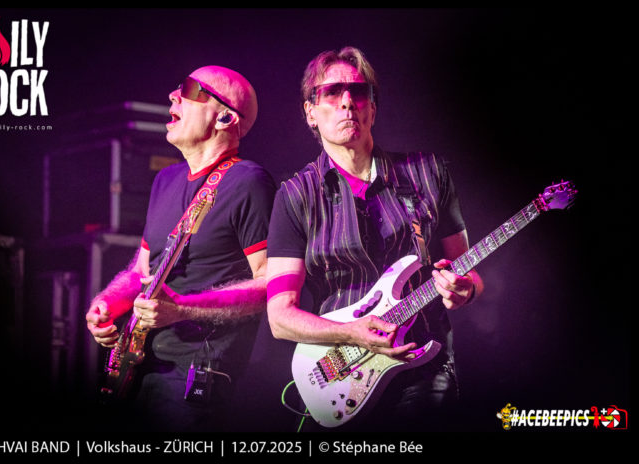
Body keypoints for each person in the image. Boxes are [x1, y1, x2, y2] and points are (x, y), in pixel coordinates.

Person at [266, 47, 484, 431]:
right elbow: (280, 317)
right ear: (310, 112)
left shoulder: (428, 172)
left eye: (358, 91)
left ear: (373, 108)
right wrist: (350, 332)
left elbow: (469, 273)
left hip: (422, 365)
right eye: (332, 92)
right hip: (340, 372)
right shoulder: (296, 195)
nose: (347, 102)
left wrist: (464, 289)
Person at [85, 65, 276, 432]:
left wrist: (182, 309)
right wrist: (107, 304)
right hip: (137, 366)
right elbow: (142, 271)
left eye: (189, 89)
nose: (173, 96)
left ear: (224, 117)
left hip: (193, 375)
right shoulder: (165, 179)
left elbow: (270, 284)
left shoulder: (249, 182)